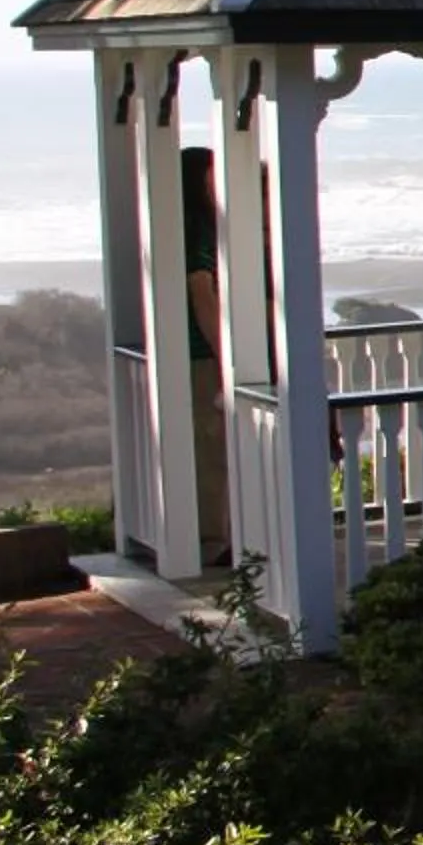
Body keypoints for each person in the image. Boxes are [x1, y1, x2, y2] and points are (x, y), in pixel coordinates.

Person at [181, 146, 230, 567]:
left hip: (192, 354)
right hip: (200, 357)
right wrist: (223, 354)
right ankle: (213, 540)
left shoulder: (175, 223)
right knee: (211, 451)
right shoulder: (198, 227)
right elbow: (202, 294)